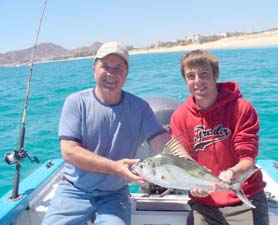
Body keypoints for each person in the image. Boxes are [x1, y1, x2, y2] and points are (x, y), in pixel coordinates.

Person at [42, 41, 171, 225]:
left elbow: (164, 144)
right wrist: (114, 167)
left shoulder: (140, 108)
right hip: (74, 190)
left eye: (118, 68)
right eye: (105, 66)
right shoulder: (76, 103)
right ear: (94, 69)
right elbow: (69, 151)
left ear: (126, 74)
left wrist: (195, 170)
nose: (111, 74)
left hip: (114, 194)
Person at [170, 49, 269, 225]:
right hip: (204, 203)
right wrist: (195, 185)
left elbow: (248, 157)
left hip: (245, 197)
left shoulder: (241, 108)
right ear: (185, 80)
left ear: (216, 75)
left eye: (204, 74)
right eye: (191, 76)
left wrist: (232, 173)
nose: (198, 81)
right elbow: (183, 160)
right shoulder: (179, 117)